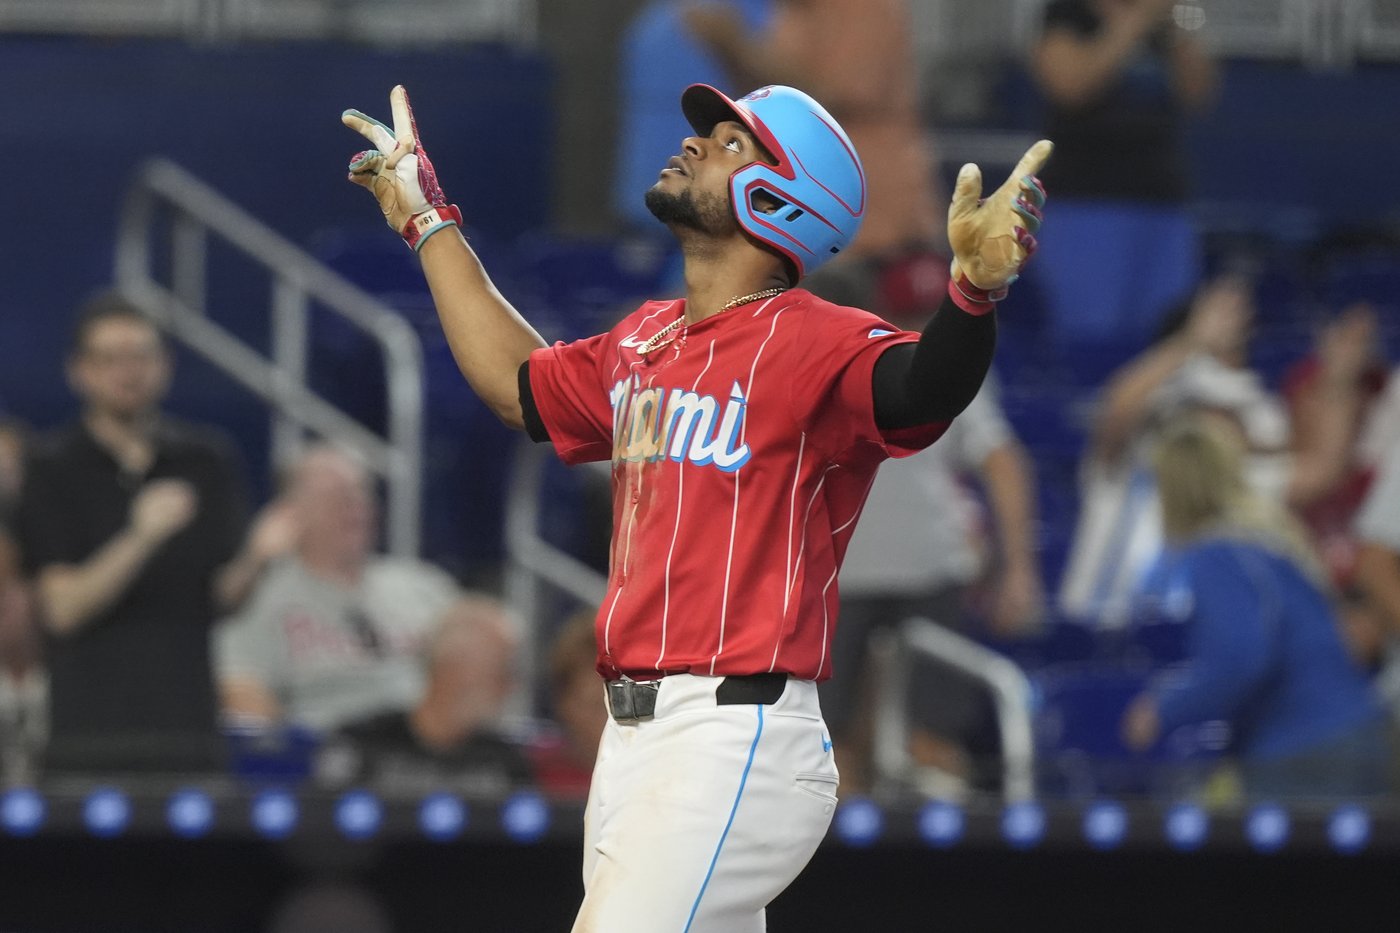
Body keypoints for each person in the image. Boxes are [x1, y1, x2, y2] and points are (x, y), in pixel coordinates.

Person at [340, 82, 1048, 930]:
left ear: (780, 197)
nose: (696, 145)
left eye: (730, 142)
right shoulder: (646, 336)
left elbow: (919, 391)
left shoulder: (814, 335)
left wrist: (971, 297)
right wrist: (427, 221)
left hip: (735, 735)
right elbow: (520, 387)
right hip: (634, 739)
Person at [13, 294, 294, 773]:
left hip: (189, 735)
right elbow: (61, 611)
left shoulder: (206, 460)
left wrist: (260, 557)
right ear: (79, 371)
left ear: (165, 366)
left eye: (141, 356)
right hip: (88, 741)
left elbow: (219, 599)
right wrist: (141, 537)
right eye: (110, 358)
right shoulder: (50, 467)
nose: (129, 371)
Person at [1057, 275, 1373, 627]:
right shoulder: (1128, 460)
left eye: (1227, 411)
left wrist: (1340, 382)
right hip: (1101, 631)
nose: (1211, 420)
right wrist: (1192, 342)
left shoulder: (1233, 480)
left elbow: (1321, 471)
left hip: (1188, 644)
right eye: (1199, 405)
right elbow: (1115, 413)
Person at [215, 445, 526, 791]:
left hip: (440, 764)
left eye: (361, 492)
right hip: (331, 772)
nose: (355, 507)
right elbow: (245, 703)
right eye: (335, 496)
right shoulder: (264, 597)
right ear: (290, 514)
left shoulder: (423, 587)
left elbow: (495, 661)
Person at [1120, 413, 1392, 800]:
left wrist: (1161, 710)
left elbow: (1241, 656)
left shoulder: (1218, 553)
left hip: (1303, 750)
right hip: (1356, 729)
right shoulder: (1271, 537)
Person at [824, 376, 1044, 795]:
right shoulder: (825, 354)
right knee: (829, 745)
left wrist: (1018, 570)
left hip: (925, 573)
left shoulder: (943, 357)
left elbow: (1002, 460)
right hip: (841, 574)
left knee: (932, 743)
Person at [684, 0, 950, 320]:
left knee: (871, 353)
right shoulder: (791, 13)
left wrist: (737, 44)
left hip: (878, 233)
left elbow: (828, 96)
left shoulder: (866, 8)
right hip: (803, 228)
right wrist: (726, 50)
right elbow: (763, 101)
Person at [1028, 0, 1218, 354]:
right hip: (1086, 207)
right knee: (1090, 341)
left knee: (1169, 340)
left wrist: (1178, 27)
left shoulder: (1166, 24)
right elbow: (1071, 86)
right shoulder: (1067, 15)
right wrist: (1134, 22)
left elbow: (1200, 94)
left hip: (1161, 205)